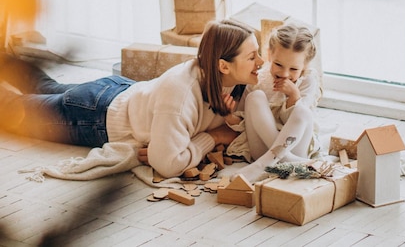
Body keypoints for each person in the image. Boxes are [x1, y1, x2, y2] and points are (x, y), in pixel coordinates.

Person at [0, 19, 264, 179]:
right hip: (95, 116)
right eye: (252, 57)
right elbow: (168, 164)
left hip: (119, 90)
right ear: (223, 66)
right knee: (12, 110)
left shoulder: (238, 83)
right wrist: (213, 137)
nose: (261, 62)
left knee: (47, 86)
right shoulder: (181, 93)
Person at [236, 23, 321, 183]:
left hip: (295, 147)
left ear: (305, 66)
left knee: (302, 111)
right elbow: (243, 118)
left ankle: (266, 163)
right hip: (263, 148)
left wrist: (293, 96)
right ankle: (282, 161)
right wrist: (228, 114)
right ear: (269, 55)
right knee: (255, 97)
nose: (284, 74)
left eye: (294, 69)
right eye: (278, 65)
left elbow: (300, 121)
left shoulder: (308, 79)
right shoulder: (259, 78)